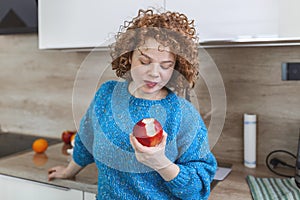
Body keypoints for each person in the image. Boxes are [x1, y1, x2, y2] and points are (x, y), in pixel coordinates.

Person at [48, 9, 217, 200]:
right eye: (145, 61)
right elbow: (87, 139)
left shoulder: (184, 114)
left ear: (175, 67)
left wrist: (161, 163)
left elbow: (199, 189)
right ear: (129, 57)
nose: (154, 73)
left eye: (166, 65)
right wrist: (69, 171)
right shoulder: (107, 95)